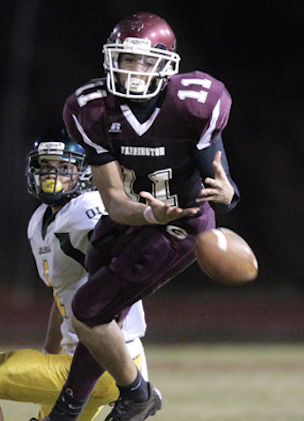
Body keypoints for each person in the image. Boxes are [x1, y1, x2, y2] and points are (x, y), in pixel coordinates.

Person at [44, 11, 240, 421]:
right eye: (127, 60)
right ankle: (81, 408)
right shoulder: (91, 109)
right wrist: (146, 214)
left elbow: (219, 180)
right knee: (97, 308)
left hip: (180, 224)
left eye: (144, 61)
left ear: (166, 65)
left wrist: (228, 194)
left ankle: (130, 396)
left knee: (89, 309)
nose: (134, 70)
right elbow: (114, 199)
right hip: (132, 217)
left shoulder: (195, 104)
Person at [0, 126, 149, 421]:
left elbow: (123, 245)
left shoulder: (88, 206)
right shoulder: (39, 221)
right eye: (46, 167)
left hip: (105, 361)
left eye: (64, 167)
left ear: (83, 172)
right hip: (85, 361)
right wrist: (49, 353)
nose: (52, 176)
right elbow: (63, 294)